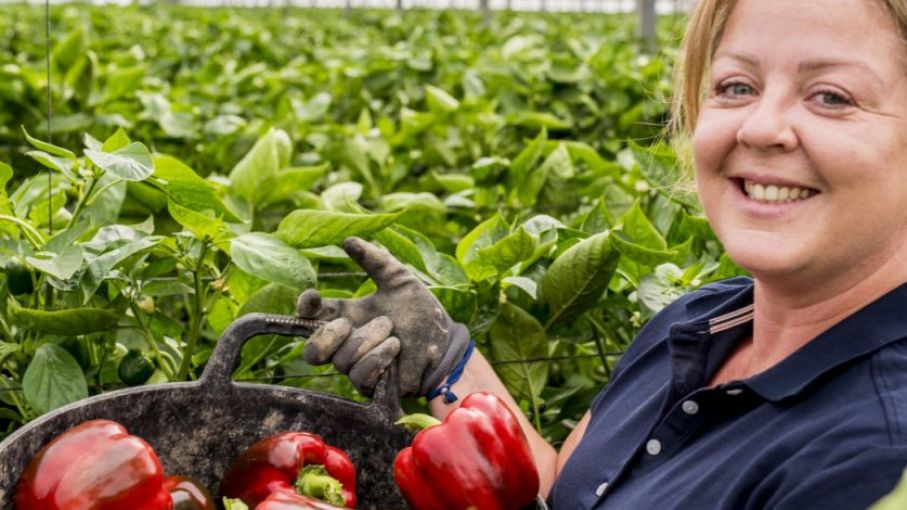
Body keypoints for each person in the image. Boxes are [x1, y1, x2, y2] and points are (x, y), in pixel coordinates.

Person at [295, 0, 907, 507]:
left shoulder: (875, 458)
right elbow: (568, 491)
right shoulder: (700, 321)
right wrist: (447, 363)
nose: (759, 127)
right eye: (736, 86)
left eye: (831, 96)